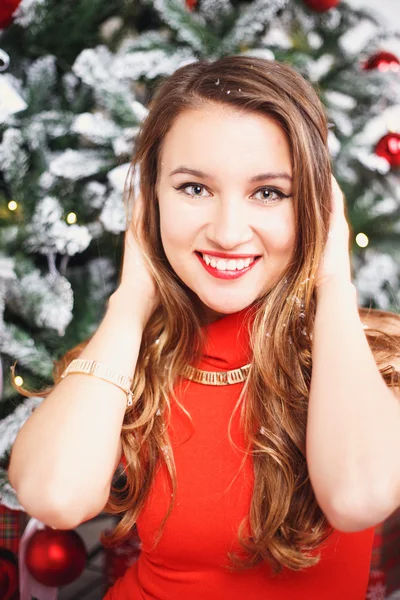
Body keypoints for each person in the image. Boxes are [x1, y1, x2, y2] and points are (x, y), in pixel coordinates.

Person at [8, 56, 400, 600]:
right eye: (194, 188)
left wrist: (332, 280)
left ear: (316, 207)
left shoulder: (374, 355)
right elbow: (53, 495)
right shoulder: (134, 356)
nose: (227, 232)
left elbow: (357, 497)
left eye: (270, 192)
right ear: (151, 201)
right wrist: (132, 298)